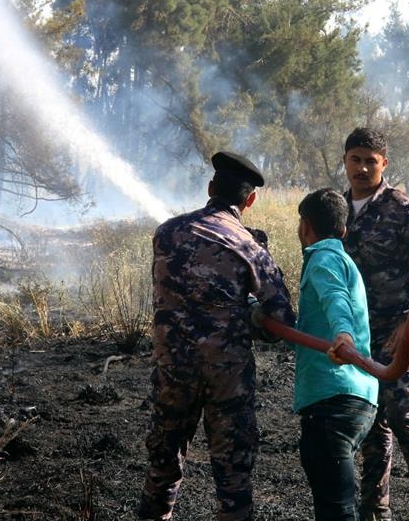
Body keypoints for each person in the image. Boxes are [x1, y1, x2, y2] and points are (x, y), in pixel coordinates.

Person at [138, 152, 296, 521]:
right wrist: (249, 316)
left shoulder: (166, 232)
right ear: (250, 199)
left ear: (210, 188)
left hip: (172, 370)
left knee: (162, 466)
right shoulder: (249, 246)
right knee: (233, 478)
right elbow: (282, 318)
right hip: (227, 379)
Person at [340, 127, 409, 520]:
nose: (362, 168)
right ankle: (375, 509)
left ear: (384, 164)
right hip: (357, 333)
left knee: (406, 418)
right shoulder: (336, 209)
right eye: (355, 159)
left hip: (398, 330)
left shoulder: (403, 209)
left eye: (370, 160)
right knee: (370, 423)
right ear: (345, 161)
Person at [293, 188, 378, 521]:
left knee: (335, 506)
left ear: (304, 226)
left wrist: (342, 333)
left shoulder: (323, 258)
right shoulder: (344, 259)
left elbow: (335, 300)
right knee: (337, 498)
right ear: (343, 230)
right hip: (358, 397)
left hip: (333, 397)